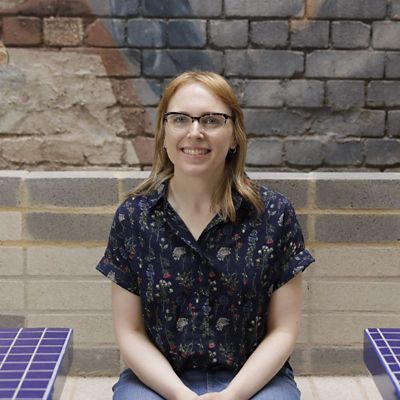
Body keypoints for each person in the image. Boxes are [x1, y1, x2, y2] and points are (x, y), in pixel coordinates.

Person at [96, 71, 315, 399]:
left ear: (234, 136)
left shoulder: (274, 215)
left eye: (212, 120)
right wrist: (180, 396)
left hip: (254, 379)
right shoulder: (135, 218)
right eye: (180, 119)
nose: (195, 132)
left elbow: (283, 330)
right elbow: (130, 333)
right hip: (158, 380)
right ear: (164, 132)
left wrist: (233, 396)